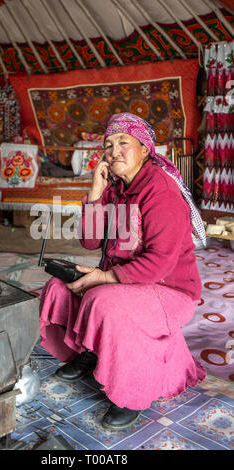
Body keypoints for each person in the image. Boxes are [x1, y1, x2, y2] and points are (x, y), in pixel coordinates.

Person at [39, 113, 207, 430]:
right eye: (108, 144)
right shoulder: (116, 189)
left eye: (123, 143)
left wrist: (103, 277)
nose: (114, 151)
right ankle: (89, 350)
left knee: (103, 301)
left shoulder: (160, 190)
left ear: (145, 149)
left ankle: (131, 396)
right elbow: (89, 241)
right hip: (128, 284)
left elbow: (161, 262)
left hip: (170, 290)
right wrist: (96, 189)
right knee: (58, 286)